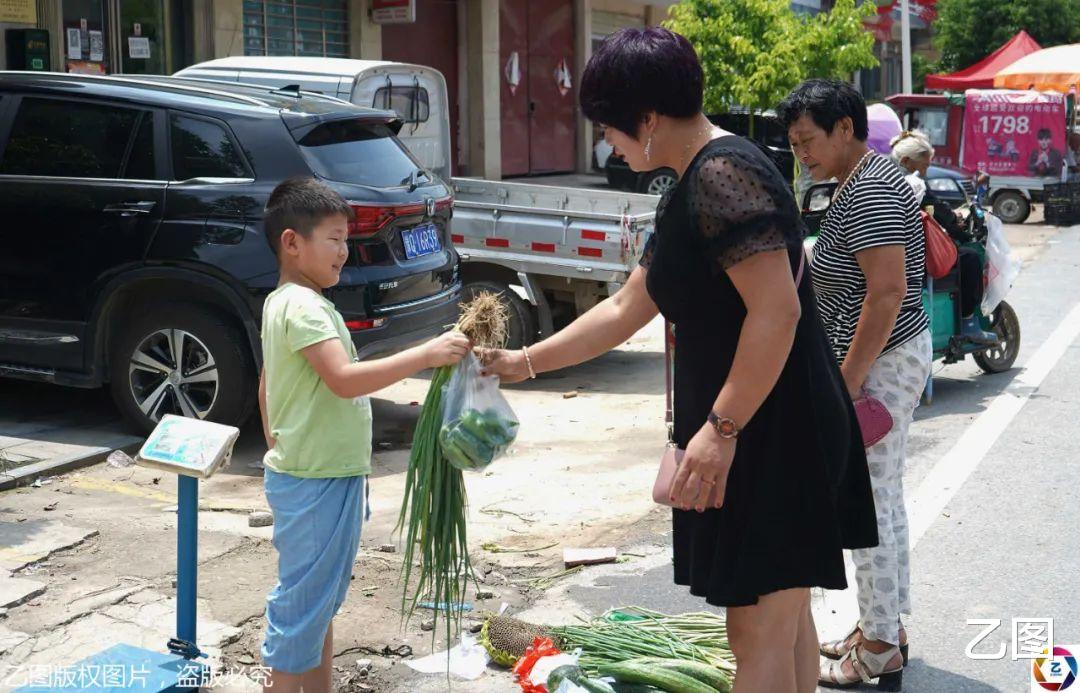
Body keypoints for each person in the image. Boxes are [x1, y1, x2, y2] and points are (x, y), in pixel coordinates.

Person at [481, 28, 877, 693]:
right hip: (763, 423)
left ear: (647, 119)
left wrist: (720, 430)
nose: (606, 143)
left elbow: (777, 312)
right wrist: (521, 362)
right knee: (784, 625)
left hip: (775, 430)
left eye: (608, 128)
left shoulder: (724, 174)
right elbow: (627, 307)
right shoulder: (693, 183)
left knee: (756, 633)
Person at [257, 177, 470, 692]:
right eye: (333, 238)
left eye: (345, 239)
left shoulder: (286, 302)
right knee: (300, 614)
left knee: (318, 606)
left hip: (316, 473)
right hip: (316, 482)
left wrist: (277, 444)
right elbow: (344, 380)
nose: (344, 251)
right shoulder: (305, 308)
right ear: (292, 242)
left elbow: (268, 383)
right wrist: (425, 354)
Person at [777, 79, 933, 690]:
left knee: (870, 504)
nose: (801, 154)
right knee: (881, 498)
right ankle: (883, 626)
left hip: (881, 362)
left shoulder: (868, 188)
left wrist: (846, 381)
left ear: (846, 128)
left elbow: (887, 292)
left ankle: (877, 646)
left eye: (807, 140)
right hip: (883, 358)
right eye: (793, 144)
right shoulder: (859, 180)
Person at [890, 130, 997, 345]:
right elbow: (939, 211)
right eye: (925, 165)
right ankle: (968, 323)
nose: (926, 171)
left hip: (899, 252)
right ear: (906, 161)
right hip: (913, 257)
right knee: (969, 259)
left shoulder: (884, 177)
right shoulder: (910, 184)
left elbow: (936, 209)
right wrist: (962, 232)